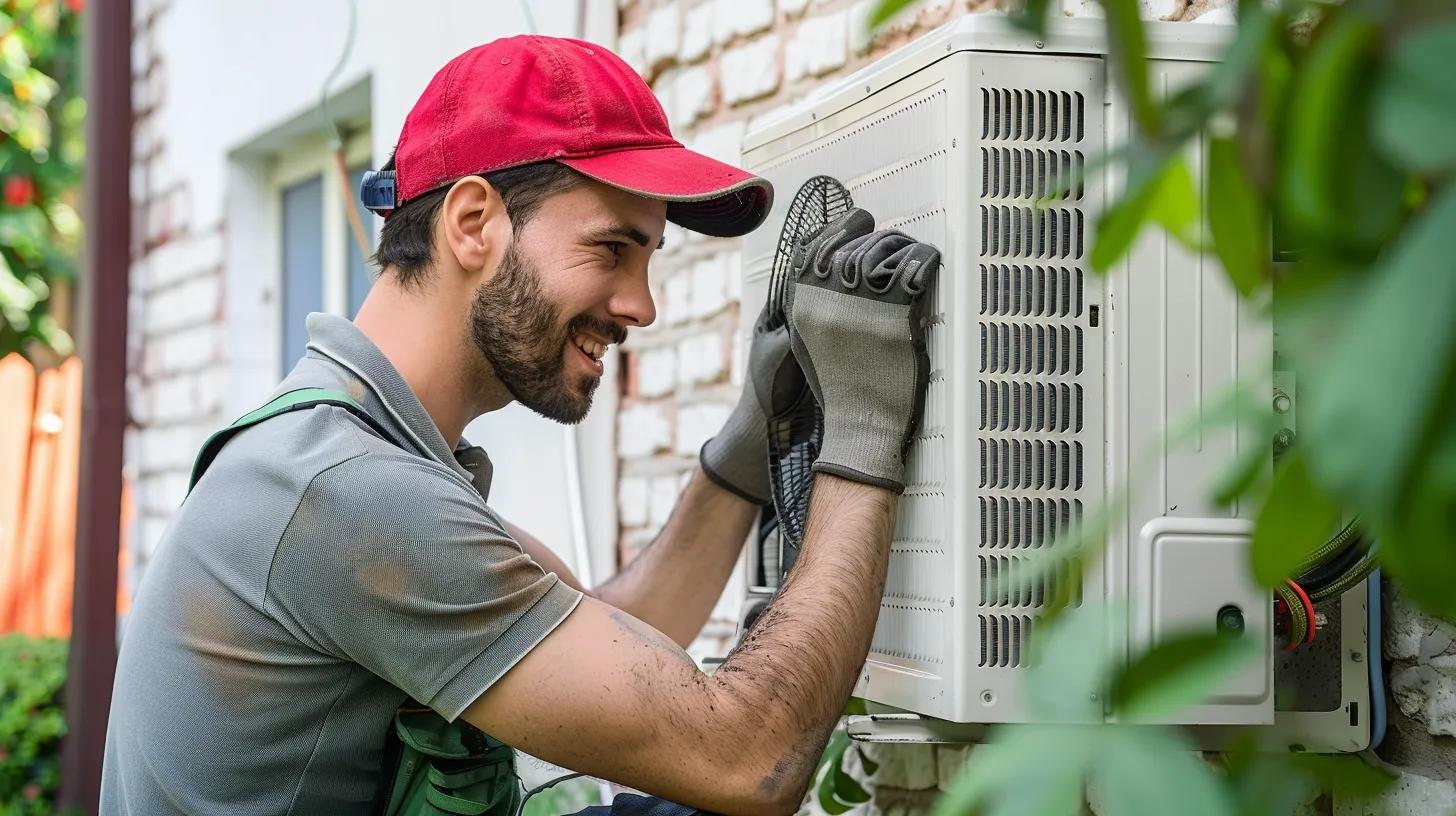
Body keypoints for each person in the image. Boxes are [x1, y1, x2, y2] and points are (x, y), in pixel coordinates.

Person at [100, 34, 939, 816]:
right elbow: (749, 757)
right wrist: (865, 435)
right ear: (472, 224)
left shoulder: (343, 446)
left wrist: (749, 443)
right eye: (611, 250)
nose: (640, 307)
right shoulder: (349, 492)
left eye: (647, 261)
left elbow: (620, 637)